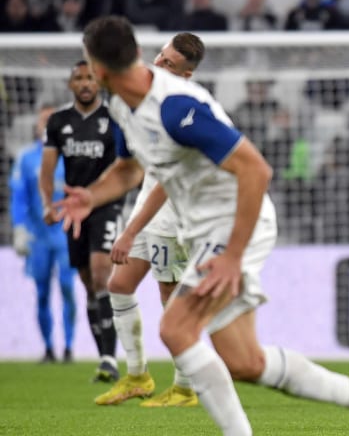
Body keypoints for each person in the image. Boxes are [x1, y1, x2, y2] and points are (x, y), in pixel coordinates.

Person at [58, 16, 349, 436]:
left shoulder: (176, 107)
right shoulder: (121, 107)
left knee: (176, 329)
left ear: (98, 69)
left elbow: (256, 169)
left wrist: (232, 256)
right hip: (203, 229)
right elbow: (129, 170)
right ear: (139, 52)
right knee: (244, 361)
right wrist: (92, 196)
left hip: (236, 222)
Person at [93, 32, 205, 407]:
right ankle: (138, 376)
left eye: (168, 63)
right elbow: (137, 166)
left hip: (173, 214)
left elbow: (170, 182)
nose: (158, 63)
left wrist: (130, 231)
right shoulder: (144, 100)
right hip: (147, 204)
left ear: (186, 75)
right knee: (120, 284)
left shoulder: (185, 110)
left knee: (170, 295)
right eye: (160, 55)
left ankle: (186, 386)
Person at [39, 60, 121, 382]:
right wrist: (48, 205)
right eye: (79, 79)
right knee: (88, 283)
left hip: (106, 205)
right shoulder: (59, 121)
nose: (85, 83)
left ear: (98, 83)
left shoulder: (114, 118)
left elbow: (125, 165)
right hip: (74, 210)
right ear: (70, 84)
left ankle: (111, 359)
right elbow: (47, 170)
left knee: (102, 275)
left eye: (90, 78)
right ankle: (104, 359)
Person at [10, 104, 77, 364]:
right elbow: (19, 197)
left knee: (68, 288)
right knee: (42, 292)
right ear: (37, 127)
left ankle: (69, 347)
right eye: (43, 121)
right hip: (38, 237)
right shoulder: (26, 158)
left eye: (52, 120)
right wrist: (19, 229)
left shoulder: (71, 156)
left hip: (66, 235)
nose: (47, 125)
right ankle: (48, 348)